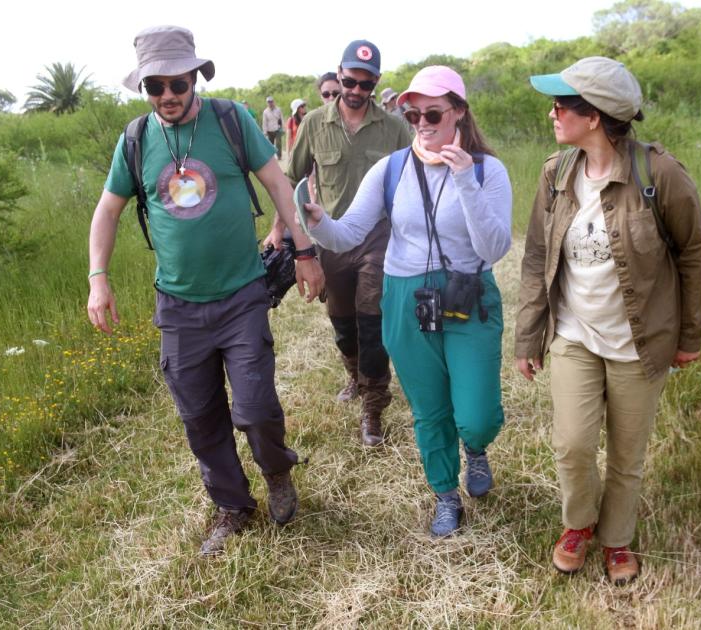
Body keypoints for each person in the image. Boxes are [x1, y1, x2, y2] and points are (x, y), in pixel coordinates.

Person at [86, 25, 324, 556]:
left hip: (241, 293)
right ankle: (232, 506)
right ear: (145, 88)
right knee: (200, 415)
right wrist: (97, 277)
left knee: (256, 407)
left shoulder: (231, 120)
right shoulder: (136, 139)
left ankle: (277, 472)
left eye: (177, 83)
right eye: (155, 87)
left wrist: (304, 251)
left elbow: (278, 183)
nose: (167, 96)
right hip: (177, 304)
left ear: (195, 76)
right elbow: (107, 210)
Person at [514, 57, 701, 584]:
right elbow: (537, 257)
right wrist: (528, 336)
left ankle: (617, 538)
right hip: (575, 335)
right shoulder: (556, 173)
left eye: (563, 103)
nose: (553, 112)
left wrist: (689, 336)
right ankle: (579, 523)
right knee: (573, 444)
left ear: (595, 115)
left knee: (627, 453)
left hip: (640, 341)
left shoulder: (658, 174)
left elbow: (694, 253)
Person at [300, 66, 512, 537]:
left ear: (458, 111)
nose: (420, 122)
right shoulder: (392, 168)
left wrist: (463, 181)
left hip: (468, 295)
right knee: (429, 409)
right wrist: (315, 220)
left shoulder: (485, 170)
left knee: (475, 416)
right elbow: (350, 231)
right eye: (412, 113)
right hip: (406, 297)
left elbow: (495, 248)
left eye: (432, 112)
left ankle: (475, 448)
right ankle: (445, 495)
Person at [276, 40, 412, 447]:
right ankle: (353, 374)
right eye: (349, 80)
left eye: (365, 83)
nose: (355, 90)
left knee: (372, 322)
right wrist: (281, 229)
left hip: (378, 240)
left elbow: (412, 183)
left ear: (376, 83)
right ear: (339, 74)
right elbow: (288, 179)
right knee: (343, 323)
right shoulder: (315, 123)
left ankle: (373, 407)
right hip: (331, 240)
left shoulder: (394, 128)